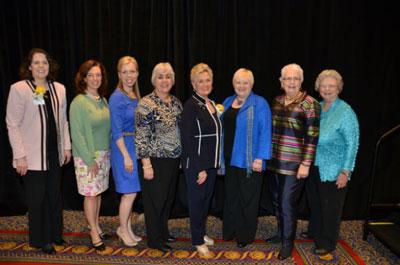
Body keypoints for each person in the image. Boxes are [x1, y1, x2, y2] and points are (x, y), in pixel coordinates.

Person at [6, 48, 71, 254]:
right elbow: (12, 124)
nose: (41, 66)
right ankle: (39, 239)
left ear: (49, 66)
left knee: (54, 195)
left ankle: (54, 234)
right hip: (32, 157)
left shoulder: (59, 88)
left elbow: (63, 120)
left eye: (45, 62)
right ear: (29, 67)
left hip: (54, 153)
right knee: (37, 198)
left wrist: (67, 146)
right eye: (37, 62)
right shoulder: (20, 89)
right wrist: (20, 156)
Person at [266, 63, 320, 260]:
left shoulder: (310, 104)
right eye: (287, 78)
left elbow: (312, 136)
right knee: (275, 201)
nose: (291, 82)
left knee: (287, 204)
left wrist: (306, 164)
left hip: (295, 166)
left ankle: (288, 244)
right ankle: (281, 234)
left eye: (295, 78)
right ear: (281, 82)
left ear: (301, 81)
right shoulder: (277, 101)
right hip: (273, 163)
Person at [303, 69, 359, 256]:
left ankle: (327, 241)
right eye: (324, 86)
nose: (327, 89)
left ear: (338, 88)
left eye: (331, 86)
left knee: (330, 207)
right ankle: (316, 232)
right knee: (317, 203)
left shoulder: (345, 111)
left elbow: (353, 143)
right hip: (315, 166)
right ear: (318, 88)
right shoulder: (318, 107)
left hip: (334, 169)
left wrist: (346, 171)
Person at [221, 68, 272, 248]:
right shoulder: (227, 102)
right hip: (229, 159)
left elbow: (266, 131)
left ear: (251, 84)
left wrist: (260, 158)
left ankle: (245, 235)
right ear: (233, 84)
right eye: (238, 82)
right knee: (232, 196)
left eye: (245, 82)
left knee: (248, 199)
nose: (241, 86)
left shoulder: (260, 103)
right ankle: (231, 230)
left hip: (250, 161)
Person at [135, 62, 182, 252]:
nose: (165, 80)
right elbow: (140, 136)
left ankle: (162, 232)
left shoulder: (176, 102)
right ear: (154, 80)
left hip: (173, 160)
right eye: (161, 77)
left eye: (168, 76)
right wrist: (146, 164)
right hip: (154, 161)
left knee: (167, 199)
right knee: (155, 202)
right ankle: (154, 239)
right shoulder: (146, 104)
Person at [180, 63, 222, 257]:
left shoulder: (211, 103)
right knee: (197, 202)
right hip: (197, 165)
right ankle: (197, 240)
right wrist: (199, 168)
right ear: (193, 84)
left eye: (207, 80)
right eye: (200, 81)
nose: (205, 84)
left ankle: (201, 232)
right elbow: (187, 140)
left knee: (205, 201)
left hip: (211, 164)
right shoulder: (190, 106)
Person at [69, 60, 111, 251]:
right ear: (84, 78)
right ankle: (93, 232)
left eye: (98, 75)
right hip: (87, 157)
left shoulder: (102, 100)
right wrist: (89, 159)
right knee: (90, 195)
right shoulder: (79, 102)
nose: (95, 79)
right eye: (91, 75)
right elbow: (77, 134)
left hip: (104, 155)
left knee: (98, 192)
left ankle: (96, 225)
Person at [109, 56, 142, 247]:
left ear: (137, 73)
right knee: (128, 193)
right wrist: (127, 156)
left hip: (133, 145)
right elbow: (116, 130)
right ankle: (122, 228)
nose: (129, 76)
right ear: (119, 74)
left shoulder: (133, 95)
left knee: (132, 192)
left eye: (132, 71)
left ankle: (128, 228)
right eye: (125, 72)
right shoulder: (117, 97)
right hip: (123, 148)